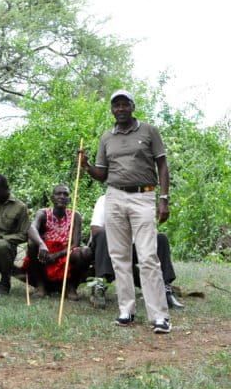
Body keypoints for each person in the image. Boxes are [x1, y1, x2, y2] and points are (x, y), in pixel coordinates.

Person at [80, 89, 173, 333]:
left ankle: (159, 316)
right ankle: (126, 311)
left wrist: (163, 199)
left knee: (147, 256)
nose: (120, 109)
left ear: (133, 106)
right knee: (119, 256)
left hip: (143, 195)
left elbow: (162, 166)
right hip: (114, 195)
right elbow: (102, 174)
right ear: (112, 109)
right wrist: (87, 166)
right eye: (116, 105)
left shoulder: (149, 130)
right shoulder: (106, 137)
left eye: (124, 104)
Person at [89, 194, 184, 309]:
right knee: (103, 235)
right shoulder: (105, 199)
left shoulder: (141, 201)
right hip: (108, 245)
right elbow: (95, 229)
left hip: (133, 246)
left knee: (160, 238)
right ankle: (100, 286)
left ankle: (165, 289)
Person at [23, 185, 92, 300]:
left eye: (65, 194)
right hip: (45, 253)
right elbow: (31, 228)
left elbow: (75, 244)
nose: (62, 197)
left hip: (65, 253)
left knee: (85, 252)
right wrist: (41, 244)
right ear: (52, 198)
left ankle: (71, 286)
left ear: (69, 200)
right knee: (32, 244)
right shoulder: (43, 213)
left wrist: (57, 255)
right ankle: (40, 286)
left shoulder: (75, 215)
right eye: (58, 194)